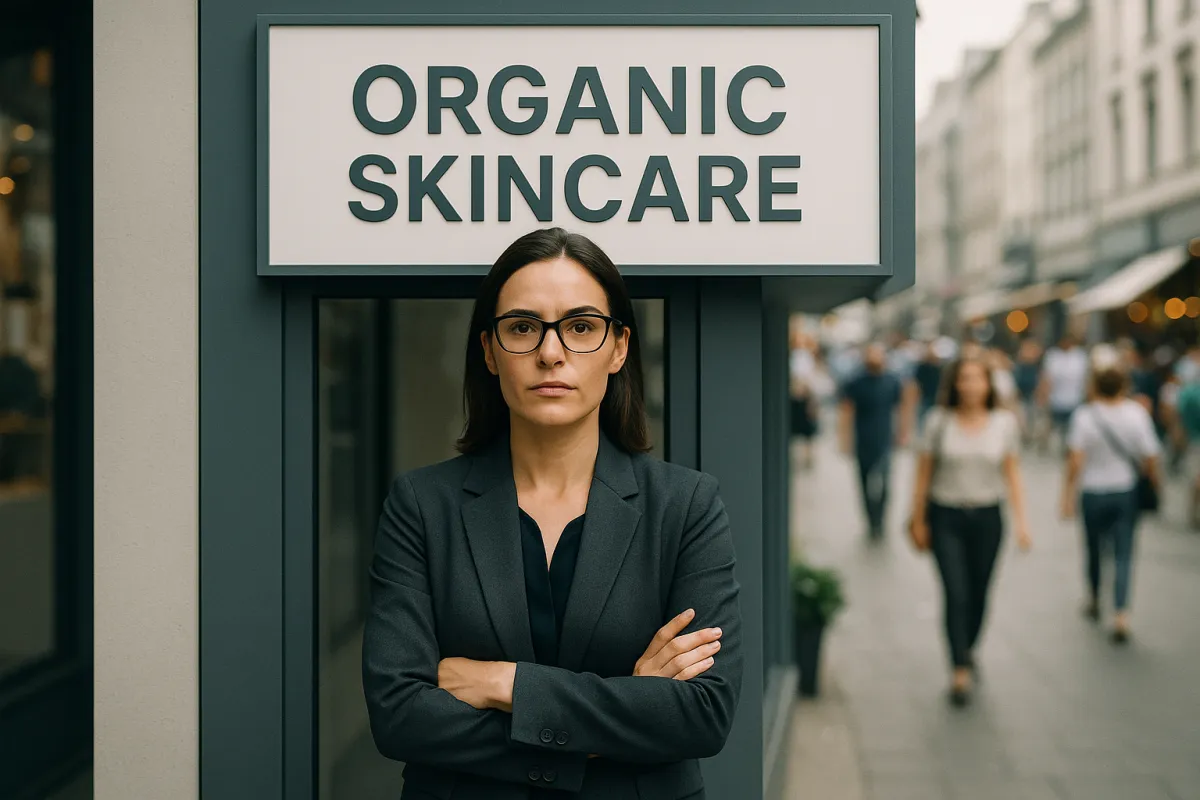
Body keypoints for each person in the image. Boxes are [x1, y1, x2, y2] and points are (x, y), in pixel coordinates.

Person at [362, 228, 744, 799]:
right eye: (522, 327)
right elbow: (399, 714)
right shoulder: (422, 507)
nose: (550, 352)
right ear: (489, 351)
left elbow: (701, 712)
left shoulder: (685, 506)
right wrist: (625, 709)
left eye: (581, 326)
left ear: (619, 348)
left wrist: (504, 682)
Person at [908, 355, 1032, 707]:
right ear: (954, 384)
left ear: (989, 384)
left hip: (989, 518)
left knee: (980, 593)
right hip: (945, 515)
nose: (971, 386)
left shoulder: (1003, 423)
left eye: (978, 379)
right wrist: (916, 519)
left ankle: (969, 646)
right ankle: (959, 668)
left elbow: (1013, 473)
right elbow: (923, 474)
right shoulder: (938, 421)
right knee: (956, 592)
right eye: (964, 379)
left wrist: (1023, 523)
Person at [1060, 364, 1161, 644]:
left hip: (1092, 491)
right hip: (1124, 491)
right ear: (1124, 386)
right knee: (1124, 553)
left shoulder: (1084, 416)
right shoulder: (1136, 414)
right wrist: (1154, 481)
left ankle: (1094, 597)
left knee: (1093, 549)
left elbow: (1075, 460)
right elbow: (1150, 454)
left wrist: (1066, 496)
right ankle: (1120, 613)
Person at [839, 342, 908, 540]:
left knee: (885, 484)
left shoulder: (892, 380)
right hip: (863, 440)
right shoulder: (856, 381)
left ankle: (881, 520)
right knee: (864, 484)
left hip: (885, 440)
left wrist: (903, 431)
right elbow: (847, 410)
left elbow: (900, 406)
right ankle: (870, 521)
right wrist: (845, 439)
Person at [1038, 334, 1089, 454]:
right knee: (1055, 427)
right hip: (1055, 399)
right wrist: (1043, 396)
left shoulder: (1080, 356)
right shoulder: (1053, 356)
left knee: (1071, 429)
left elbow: (1086, 379)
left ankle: (1068, 449)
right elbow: (1047, 378)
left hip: (1075, 399)